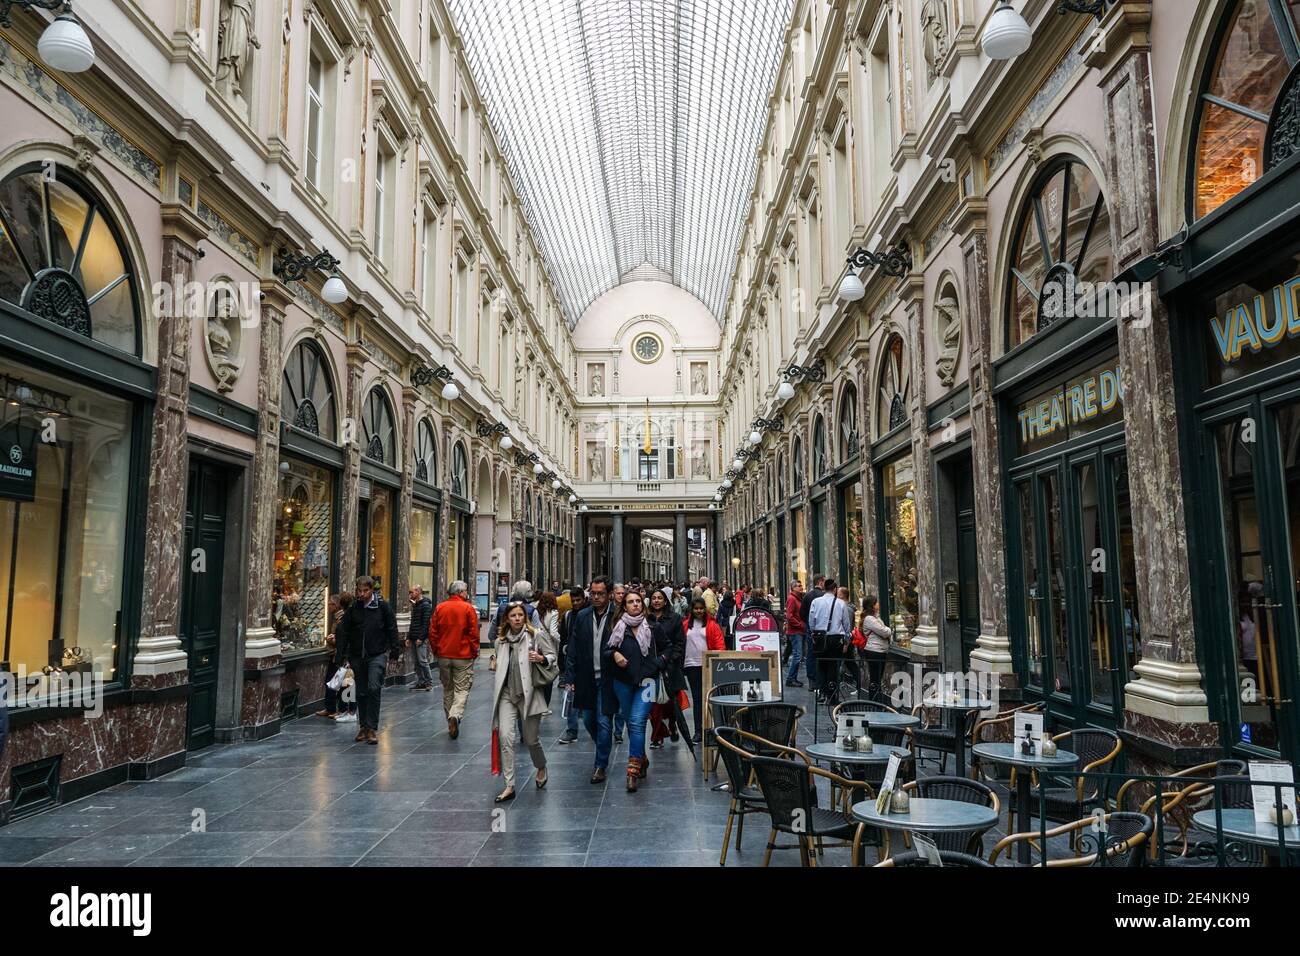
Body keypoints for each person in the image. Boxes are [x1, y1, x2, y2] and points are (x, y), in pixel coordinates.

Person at [489, 601, 557, 803]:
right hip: (506, 695)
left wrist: (541, 658)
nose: (517, 618)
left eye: (520, 615)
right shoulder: (500, 641)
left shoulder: (535, 635)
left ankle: (541, 766)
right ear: (507, 619)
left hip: (529, 694)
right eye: (513, 616)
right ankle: (509, 785)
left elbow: (552, 656)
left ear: (524, 617)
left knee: (530, 739)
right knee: (506, 738)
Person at [602, 590, 666, 792]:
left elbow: (669, 648)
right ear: (624, 606)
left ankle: (632, 771)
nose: (635, 604)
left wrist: (658, 662)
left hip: (647, 681)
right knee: (631, 723)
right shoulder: (616, 626)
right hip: (623, 682)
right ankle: (642, 758)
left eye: (638, 601)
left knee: (637, 722)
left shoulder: (653, 626)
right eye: (631, 602)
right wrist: (615, 655)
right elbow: (606, 650)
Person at [564, 576, 617, 782]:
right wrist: (570, 676)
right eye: (593, 593)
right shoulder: (583, 616)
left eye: (600, 593)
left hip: (607, 678)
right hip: (586, 677)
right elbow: (573, 648)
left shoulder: (616, 616)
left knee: (604, 722)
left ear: (609, 594)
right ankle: (603, 745)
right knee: (588, 720)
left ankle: (600, 765)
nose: (595, 597)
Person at [336, 576, 400, 744]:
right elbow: (343, 631)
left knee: (373, 687)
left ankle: (372, 728)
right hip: (357, 656)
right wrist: (341, 655)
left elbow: (392, 628)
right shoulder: (354, 608)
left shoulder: (382, 607)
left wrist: (394, 651)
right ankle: (363, 727)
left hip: (377, 654)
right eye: (359, 591)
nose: (362, 594)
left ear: (372, 590)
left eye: (365, 591)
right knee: (361, 692)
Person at [431, 579, 480, 739]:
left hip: (444, 654)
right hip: (463, 655)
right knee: (462, 688)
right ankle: (455, 715)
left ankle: (450, 719)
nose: (467, 594)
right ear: (460, 592)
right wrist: (474, 651)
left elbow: (433, 632)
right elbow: (473, 633)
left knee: (448, 688)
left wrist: (437, 650)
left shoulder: (440, 608)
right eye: (465, 591)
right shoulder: (467, 608)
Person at [682, 596, 726, 743]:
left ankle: (713, 729)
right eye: (696, 608)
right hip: (691, 665)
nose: (699, 611)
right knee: (697, 699)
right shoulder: (686, 624)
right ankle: (698, 731)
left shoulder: (712, 625)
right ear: (692, 609)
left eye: (701, 608)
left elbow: (720, 643)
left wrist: (719, 659)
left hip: (708, 664)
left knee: (710, 698)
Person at [645, 587, 683, 749]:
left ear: (665, 600)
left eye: (660, 598)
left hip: (670, 667)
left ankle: (672, 723)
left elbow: (680, 642)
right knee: (653, 705)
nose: (656, 601)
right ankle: (657, 736)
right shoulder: (645, 619)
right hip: (651, 668)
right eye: (654, 598)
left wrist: (672, 659)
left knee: (670, 704)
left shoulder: (674, 618)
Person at [807, 578, 851, 706]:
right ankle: (832, 696)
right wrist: (847, 640)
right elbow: (846, 624)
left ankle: (822, 693)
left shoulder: (816, 602)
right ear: (835, 589)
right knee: (833, 666)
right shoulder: (841, 604)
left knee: (820, 665)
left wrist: (814, 634)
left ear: (824, 588)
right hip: (835, 638)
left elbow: (811, 621)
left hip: (820, 636)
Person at [557, 587, 587, 744]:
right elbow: (563, 639)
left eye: (578, 600)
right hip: (572, 660)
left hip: (588, 661)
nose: (575, 603)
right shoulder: (568, 616)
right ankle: (571, 730)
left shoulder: (590, 614)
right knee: (570, 697)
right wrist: (562, 664)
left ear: (584, 599)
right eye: (573, 601)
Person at [854, 595, 891, 701]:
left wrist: (885, 629)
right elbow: (885, 632)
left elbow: (883, 630)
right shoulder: (869, 619)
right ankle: (874, 701)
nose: (878, 604)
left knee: (877, 678)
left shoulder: (875, 617)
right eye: (876, 603)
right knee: (875, 678)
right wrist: (888, 630)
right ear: (872, 605)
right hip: (874, 651)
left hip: (879, 651)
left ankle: (876, 700)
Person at [800, 573, 826, 692]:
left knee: (811, 653)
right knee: (823, 654)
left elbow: (802, 613)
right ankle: (822, 680)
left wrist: (808, 624)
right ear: (820, 582)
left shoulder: (807, 596)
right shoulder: (825, 596)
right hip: (824, 629)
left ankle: (812, 680)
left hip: (811, 629)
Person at [535, 591, 562, 708]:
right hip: (549, 645)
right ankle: (545, 705)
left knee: (539, 672)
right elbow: (553, 632)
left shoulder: (537, 611)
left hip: (538, 644)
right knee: (549, 674)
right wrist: (562, 641)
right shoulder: (554, 613)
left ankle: (538, 703)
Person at [406, 585, 434, 691]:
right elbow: (413, 623)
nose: (410, 594)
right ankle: (421, 681)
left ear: (418, 592)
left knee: (422, 661)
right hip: (413, 637)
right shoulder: (416, 605)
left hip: (420, 638)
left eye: (411, 592)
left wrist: (421, 638)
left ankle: (429, 682)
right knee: (416, 661)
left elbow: (426, 624)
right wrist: (409, 637)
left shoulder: (426, 605)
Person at [784, 579, 808, 688]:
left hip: (799, 631)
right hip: (795, 631)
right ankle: (790, 678)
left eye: (801, 585)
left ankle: (793, 678)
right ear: (793, 588)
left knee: (798, 655)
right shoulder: (792, 599)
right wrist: (800, 625)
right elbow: (789, 616)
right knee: (797, 656)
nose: (801, 587)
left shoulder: (799, 598)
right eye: (798, 586)